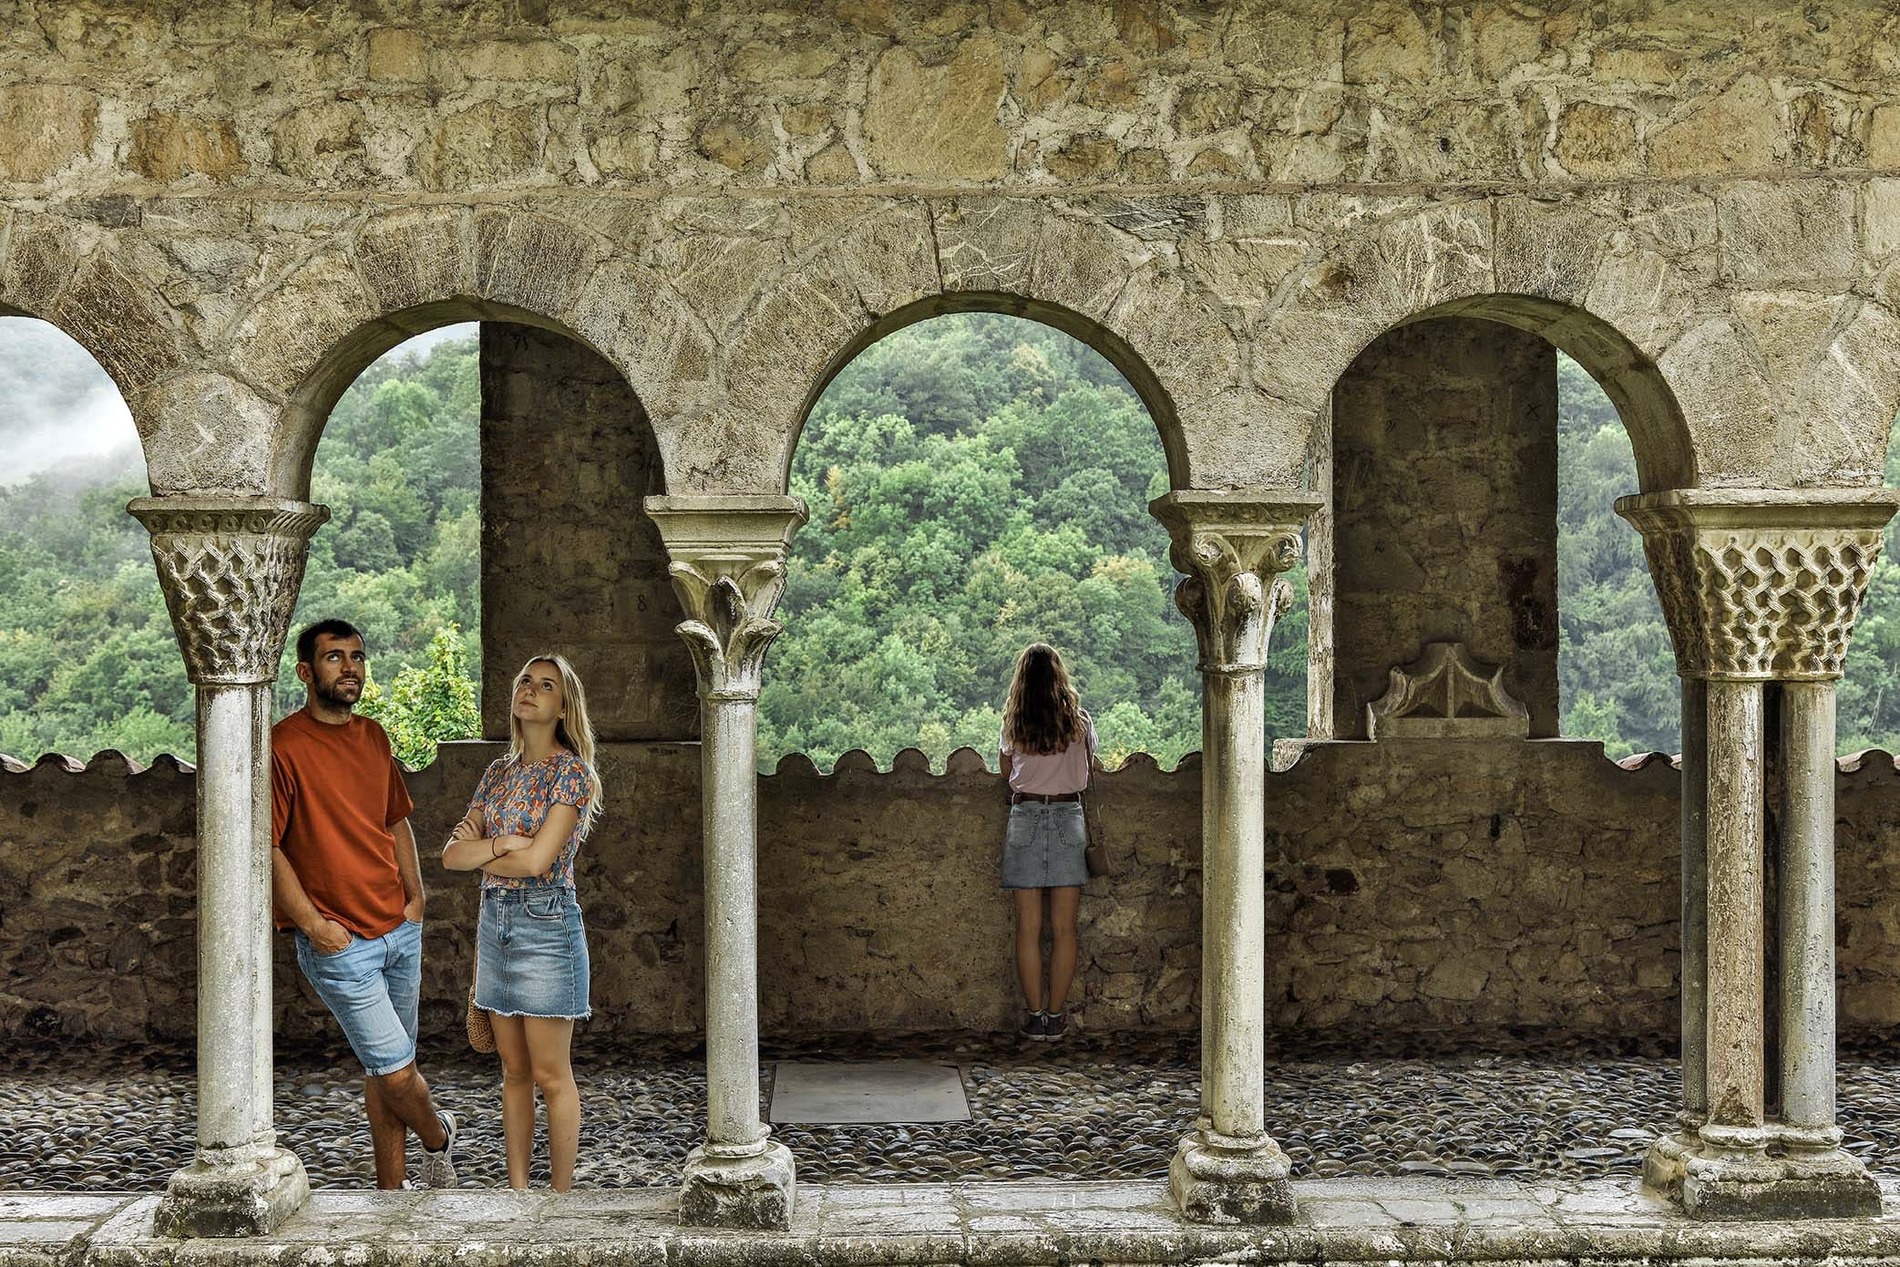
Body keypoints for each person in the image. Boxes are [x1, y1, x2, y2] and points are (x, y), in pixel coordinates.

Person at [271, 618, 460, 1189]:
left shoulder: (374, 736)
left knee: (385, 1070)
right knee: (399, 1072)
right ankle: (440, 1136)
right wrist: (311, 924)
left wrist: (417, 897)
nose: (349, 666)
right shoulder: (282, 745)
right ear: (307, 672)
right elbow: (266, 846)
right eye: (334, 657)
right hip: (340, 941)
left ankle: (391, 1191)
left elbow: (395, 820)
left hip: (398, 928)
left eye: (356, 656)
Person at [441, 653, 602, 1192]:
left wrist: (484, 852)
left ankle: (558, 1200)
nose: (531, 691)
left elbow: (538, 864)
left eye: (546, 686)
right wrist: (500, 844)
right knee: (512, 1072)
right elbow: (449, 856)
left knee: (553, 1076)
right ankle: (517, 1193)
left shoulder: (571, 774)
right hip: (496, 927)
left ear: (562, 708)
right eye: (525, 681)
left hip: (547, 927)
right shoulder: (497, 773)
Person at [998, 642, 1096, 1043]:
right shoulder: (1080, 722)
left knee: (1028, 929)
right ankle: (1055, 1017)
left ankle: (1034, 1015)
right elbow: (1088, 770)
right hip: (1068, 816)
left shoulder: (1013, 723)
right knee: (1064, 929)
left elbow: (1007, 772)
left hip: (1024, 818)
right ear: (1060, 677)